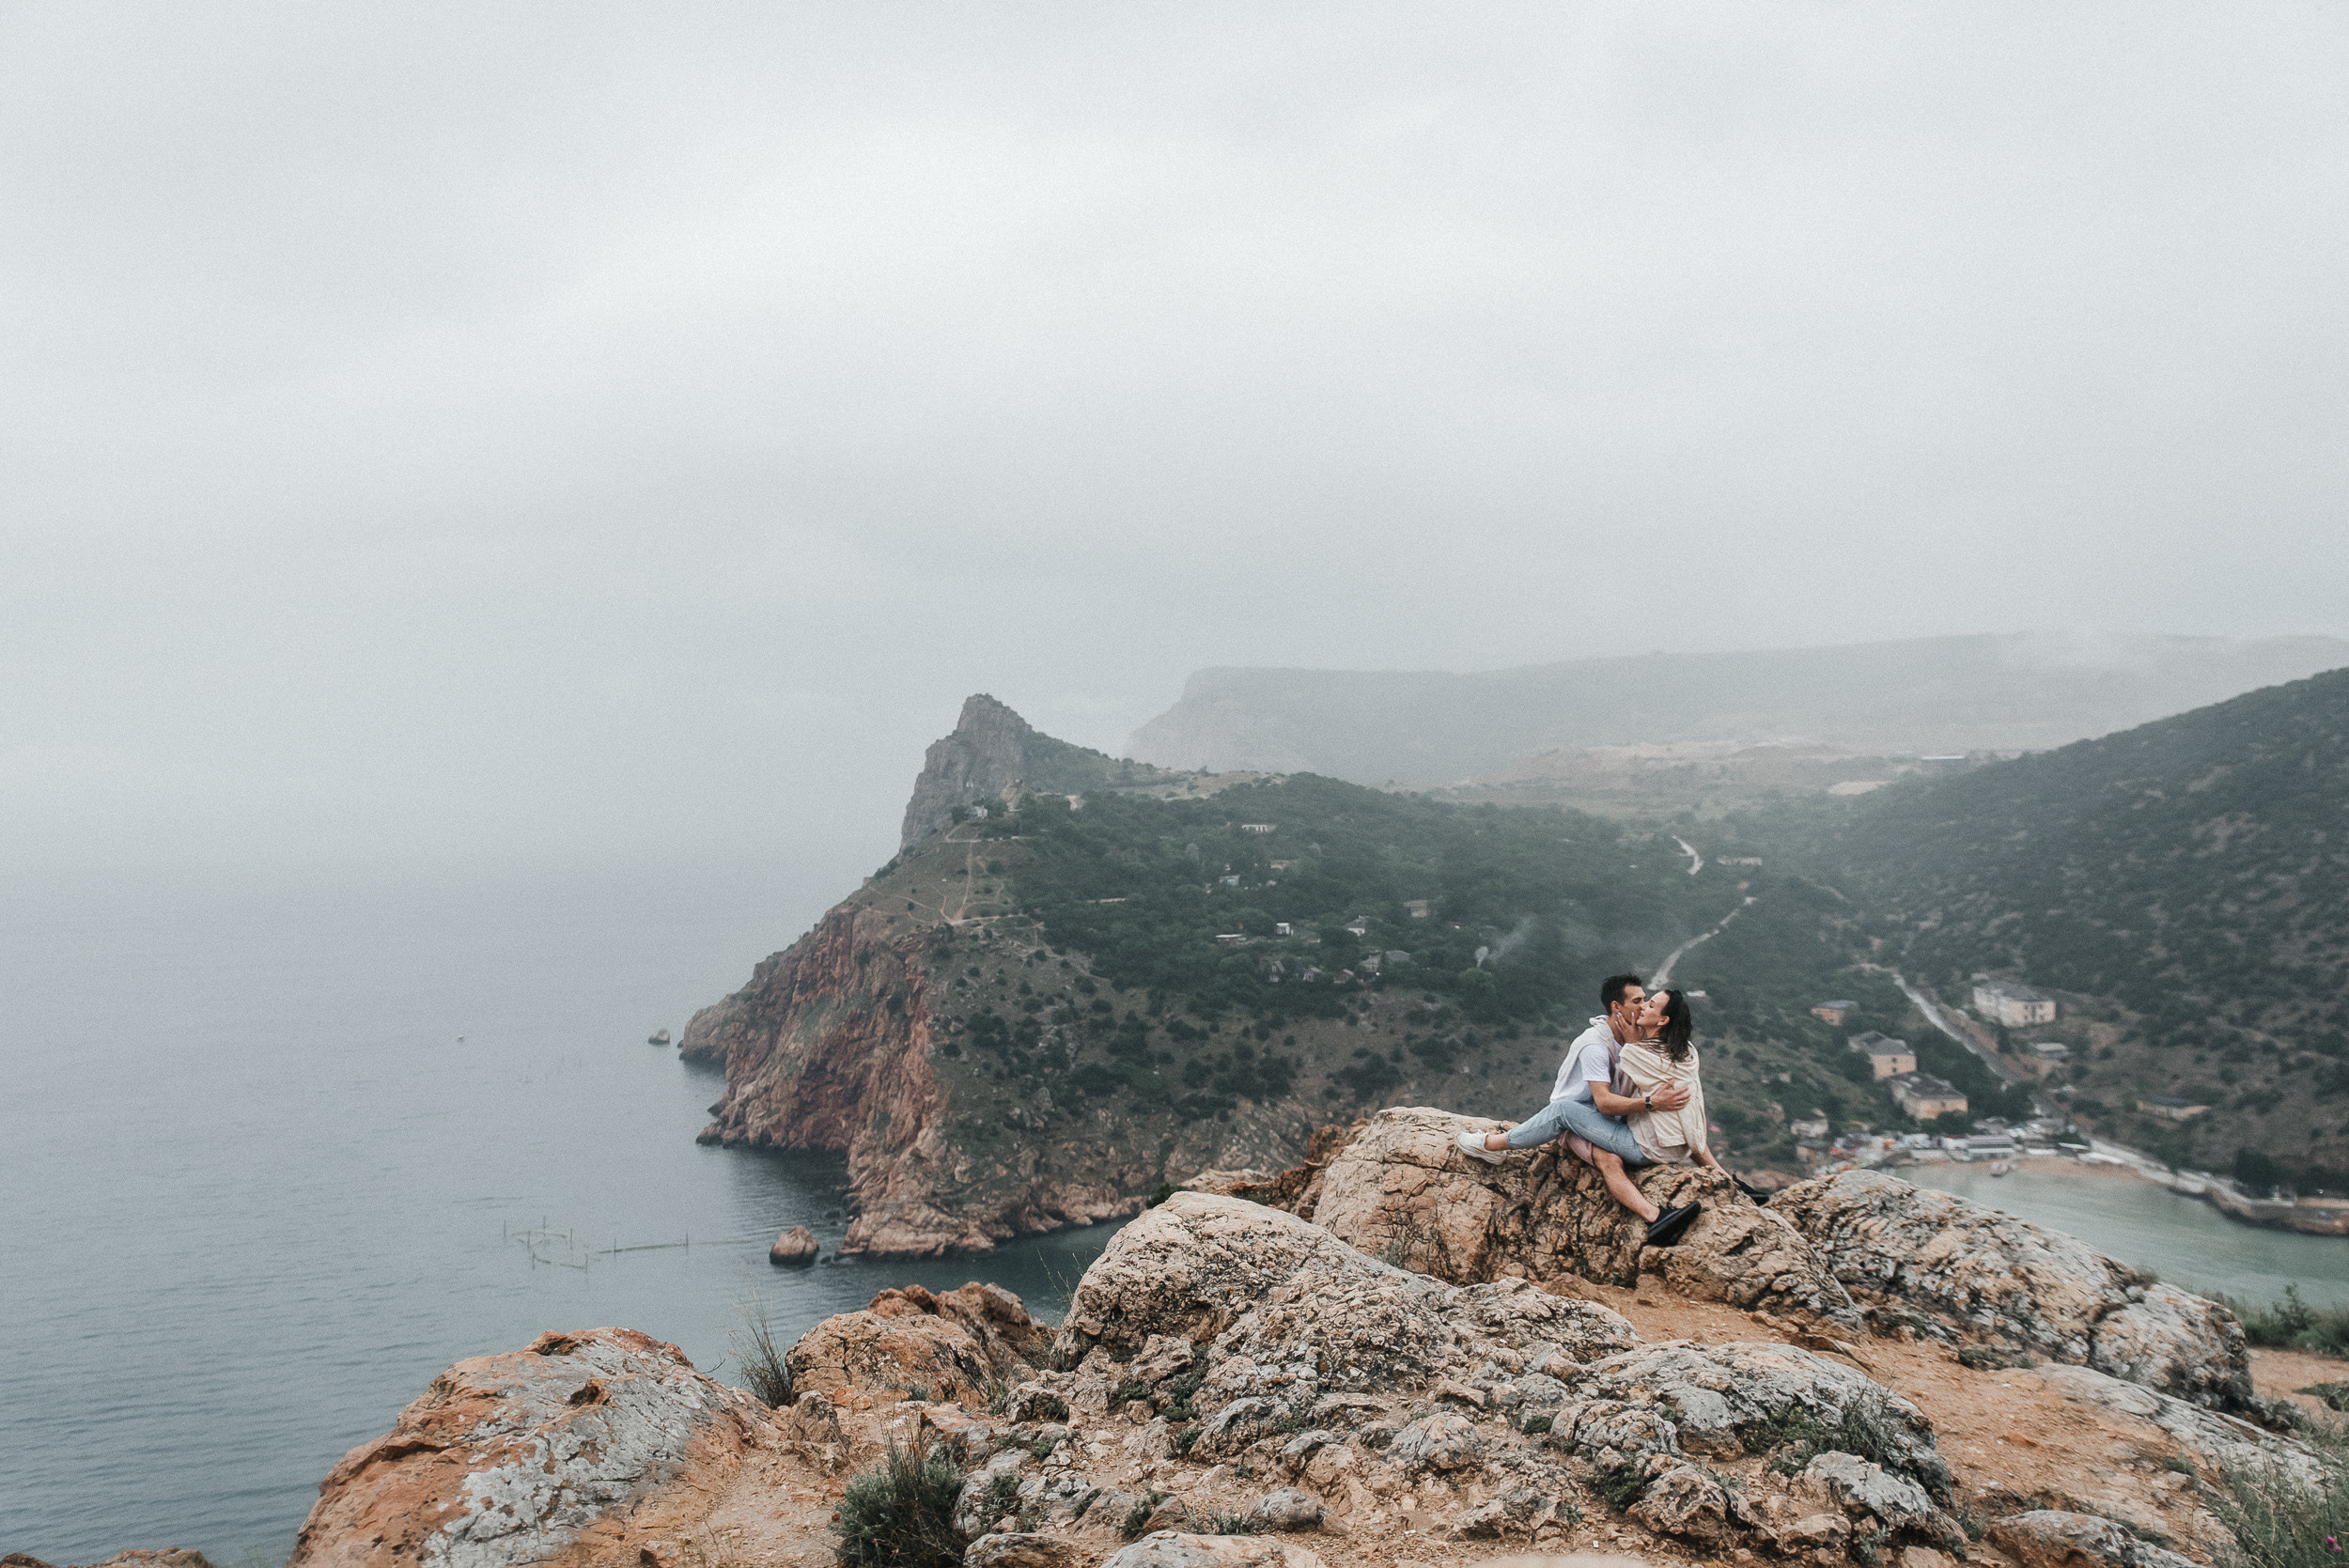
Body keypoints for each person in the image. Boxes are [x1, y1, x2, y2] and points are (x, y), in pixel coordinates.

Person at [1454, 972, 1701, 1247]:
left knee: (1601, 1147)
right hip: (1578, 1120)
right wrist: (1652, 1103)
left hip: (1617, 1126)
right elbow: (1604, 1103)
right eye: (1637, 1001)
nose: (1643, 1007)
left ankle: (1657, 1219)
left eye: (1647, 1001)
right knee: (1590, 1139)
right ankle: (1491, 1146)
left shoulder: (1641, 1040)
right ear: (1616, 1008)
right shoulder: (1596, 1046)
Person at [1618, 987, 1724, 1172]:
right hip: (1682, 1147)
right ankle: (1729, 1180)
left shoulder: (1633, 1053)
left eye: (1650, 1005)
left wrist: (1632, 1044)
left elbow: (1620, 1099)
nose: (1642, 1007)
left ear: (1663, 1020)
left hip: (1651, 1147)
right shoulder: (1688, 1052)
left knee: (1566, 1113)